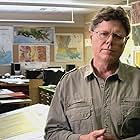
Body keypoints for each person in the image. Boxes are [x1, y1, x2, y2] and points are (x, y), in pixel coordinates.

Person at [45, 6, 140, 140]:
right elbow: (52, 133)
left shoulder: (138, 79)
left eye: (117, 36)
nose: (109, 41)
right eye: (103, 34)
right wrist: (82, 139)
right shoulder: (69, 82)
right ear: (91, 37)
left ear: (125, 42)